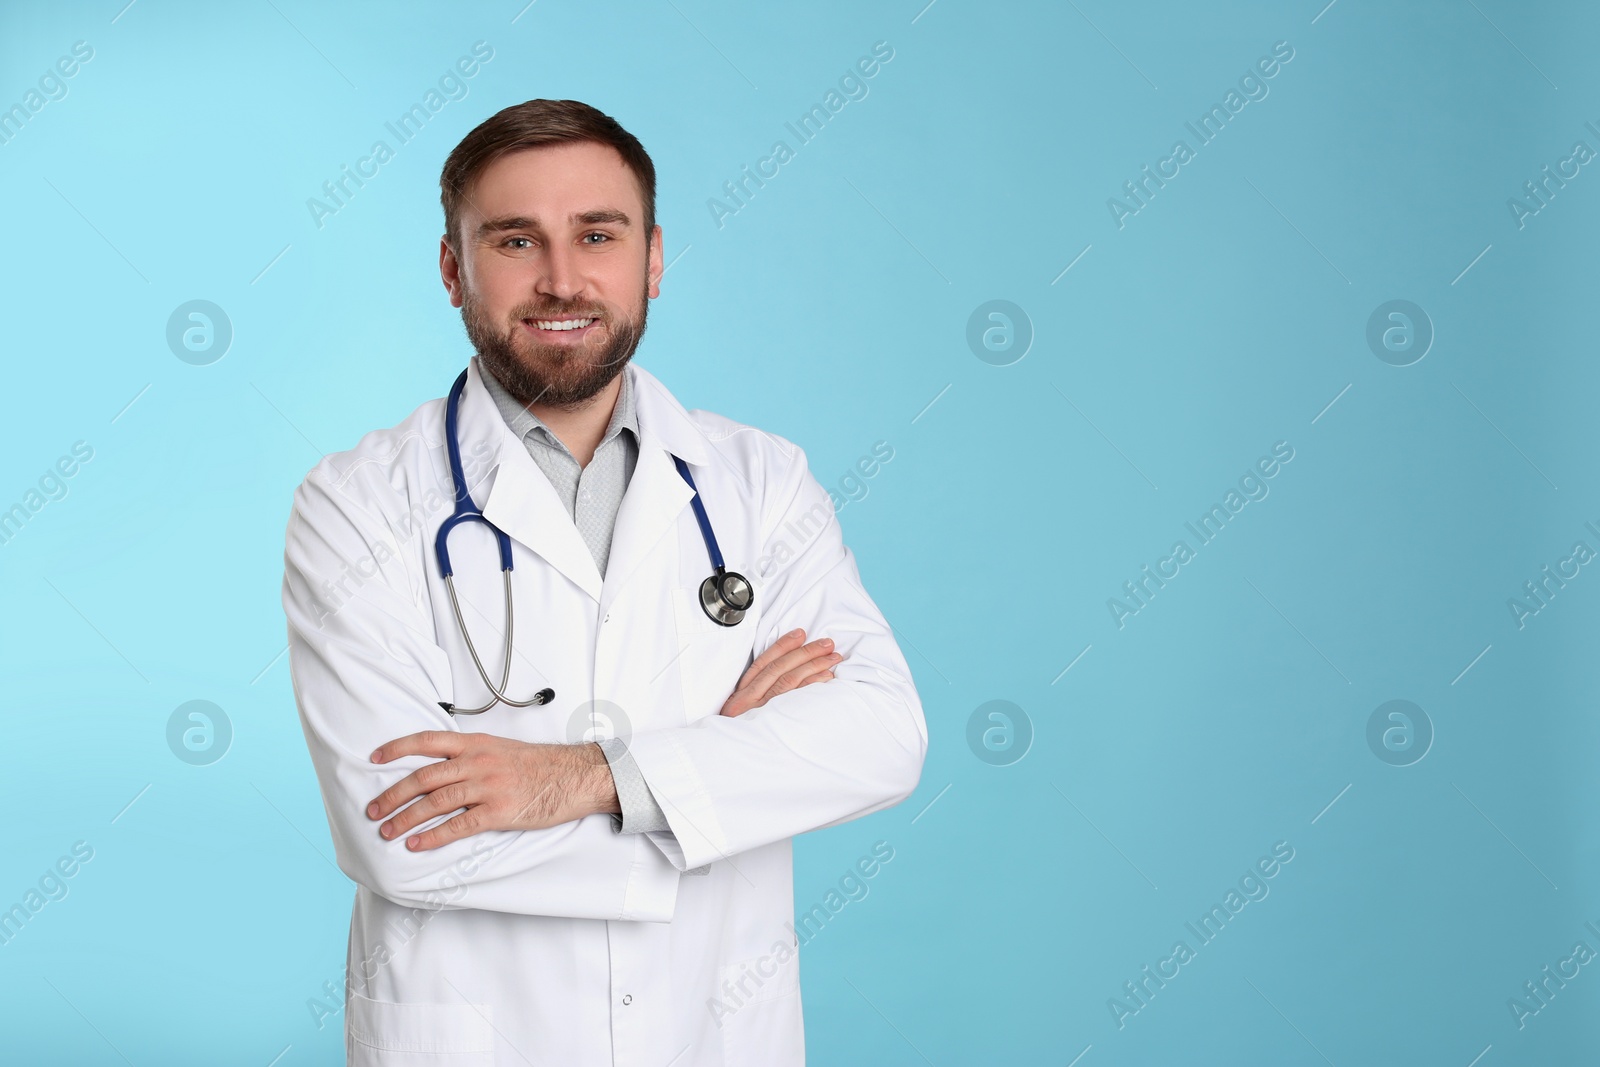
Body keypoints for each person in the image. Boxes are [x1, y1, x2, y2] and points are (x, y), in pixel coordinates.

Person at [280, 98, 927, 1066]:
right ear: (454, 269)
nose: (562, 278)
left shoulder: (760, 481)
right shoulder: (358, 504)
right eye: (513, 240)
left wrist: (580, 778)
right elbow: (404, 837)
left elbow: (879, 736)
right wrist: (727, 771)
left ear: (652, 258)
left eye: (597, 234)